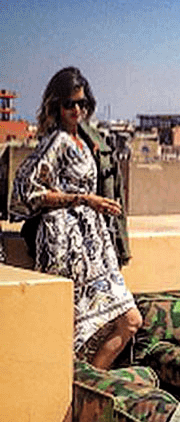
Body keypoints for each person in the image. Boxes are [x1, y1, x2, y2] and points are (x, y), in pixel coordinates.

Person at [10, 67, 141, 369]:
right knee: (70, 334)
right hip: (66, 246)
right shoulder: (56, 141)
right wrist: (84, 199)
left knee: (130, 321)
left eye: (82, 103)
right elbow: (26, 189)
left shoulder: (83, 140)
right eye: (70, 104)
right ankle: (76, 388)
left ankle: (87, 382)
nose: (77, 110)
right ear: (57, 105)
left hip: (94, 247)